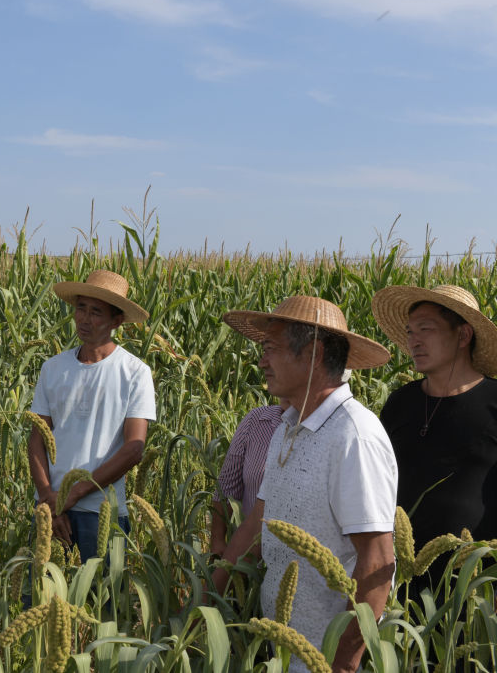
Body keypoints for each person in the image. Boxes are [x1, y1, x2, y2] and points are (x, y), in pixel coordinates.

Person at [213, 296, 396, 673]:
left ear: (313, 353)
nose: (262, 361)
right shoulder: (287, 427)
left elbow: (377, 562)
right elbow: (258, 523)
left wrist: (341, 664)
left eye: (271, 349)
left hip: (323, 659)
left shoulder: (354, 437)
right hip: (282, 652)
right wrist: (207, 598)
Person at [372, 284, 497, 590]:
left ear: (464, 335)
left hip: (475, 586)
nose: (414, 341)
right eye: (410, 332)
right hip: (400, 584)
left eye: (425, 329)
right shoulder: (400, 403)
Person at [27, 269, 156, 561]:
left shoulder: (135, 373)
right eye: (80, 308)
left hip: (101, 512)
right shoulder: (53, 368)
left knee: (102, 602)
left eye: (96, 312)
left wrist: (75, 493)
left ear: (116, 320)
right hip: (50, 511)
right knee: (44, 602)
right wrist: (49, 497)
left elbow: (134, 448)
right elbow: (37, 439)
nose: (85, 319)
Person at [209, 398, 290, 556]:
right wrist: (217, 541)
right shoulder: (257, 419)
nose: (269, 372)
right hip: (247, 557)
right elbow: (226, 487)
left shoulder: (328, 429)